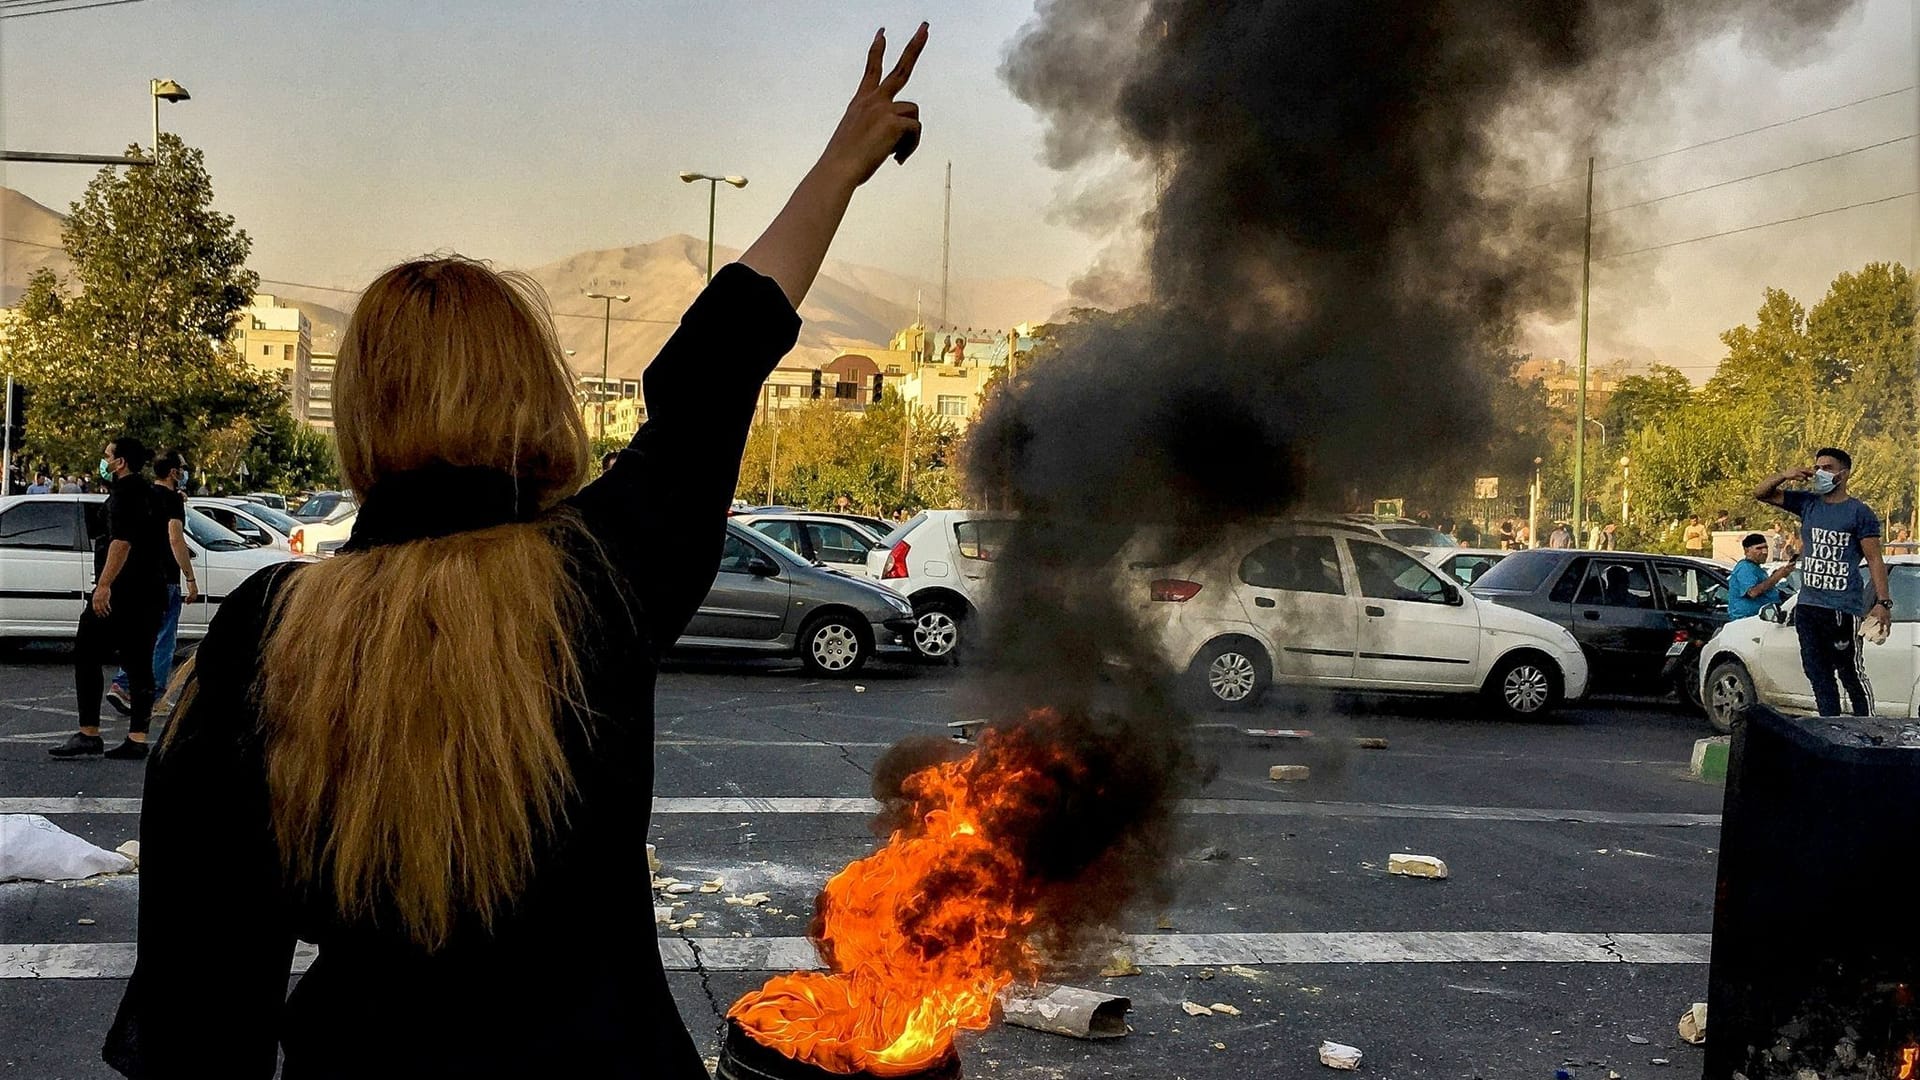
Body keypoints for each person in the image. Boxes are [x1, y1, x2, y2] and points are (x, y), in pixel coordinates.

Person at [104, 24, 927, 1079]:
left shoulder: (268, 629)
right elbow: (715, 369)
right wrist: (838, 168)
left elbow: (197, 1011)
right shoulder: (601, 576)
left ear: (360, 416)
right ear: (532, 392)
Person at [49, 436, 170, 760]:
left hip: (124, 593)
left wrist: (103, 586)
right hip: (149, 592)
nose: (103, 461)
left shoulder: (123, 495)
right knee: (139, 663)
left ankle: (89, 732)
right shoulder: (151, 493)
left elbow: (121, 543)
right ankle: (137, 737)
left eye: (107, 456)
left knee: (87, 652)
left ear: (120, 463)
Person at [1754, 446, 1892, 717]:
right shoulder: (1808, 503)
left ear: (1844, 474)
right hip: (1808, 606)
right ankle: (1830, 725)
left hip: (1841, 608)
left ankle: (1868, 728)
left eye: (1827, 468)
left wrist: (1882, 603)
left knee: (1849, 672)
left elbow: (1875, 559)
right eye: (1817, 467)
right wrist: (1786, 474)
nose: (1820, 473)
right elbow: (1761, 493)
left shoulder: (1859, 512)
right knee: (1817, 672)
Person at [105, 452, 200, 723]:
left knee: (141, 635)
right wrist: (189, 577)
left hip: (139, 575)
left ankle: (123, 684)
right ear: (172, 472)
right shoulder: (172, 501)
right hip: (164, 577)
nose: (185, 471)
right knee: (164, 637)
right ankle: (154, 695)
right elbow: (175, 538)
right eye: (182, 467)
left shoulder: (145, 494)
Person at [1727, 532, 1794, 620]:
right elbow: (1752, 592)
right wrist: (1776, 577)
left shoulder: (1756, 568)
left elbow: (1765, 587)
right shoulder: (1745, 568)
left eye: (1766, 547)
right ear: (1747, 550)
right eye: (1759, 548)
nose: (1764, 552)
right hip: (1747, 620)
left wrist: (1780, 574)